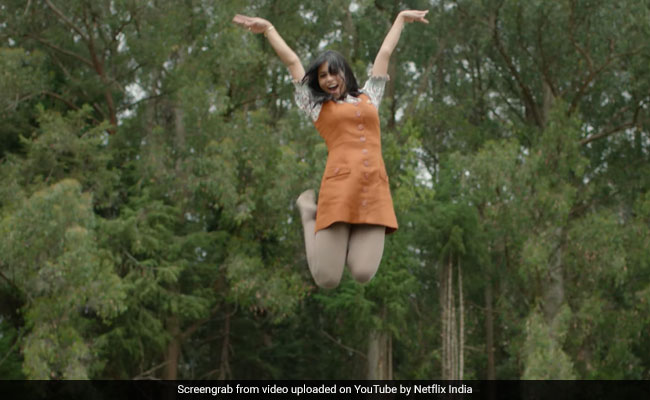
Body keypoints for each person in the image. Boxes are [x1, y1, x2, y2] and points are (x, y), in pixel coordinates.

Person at [233, 10, 429, 289]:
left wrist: (400, 18)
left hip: (373, 189)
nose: (328, 79)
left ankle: (344, 237)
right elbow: (292, 61)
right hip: (339, 189)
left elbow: (385, 53)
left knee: (363, 272)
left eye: (333, 72)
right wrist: (268, 30)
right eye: (322, 75)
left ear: (344, 73)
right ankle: (308, 213)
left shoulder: (370, 95)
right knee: (327, 279)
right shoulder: (315, 105)